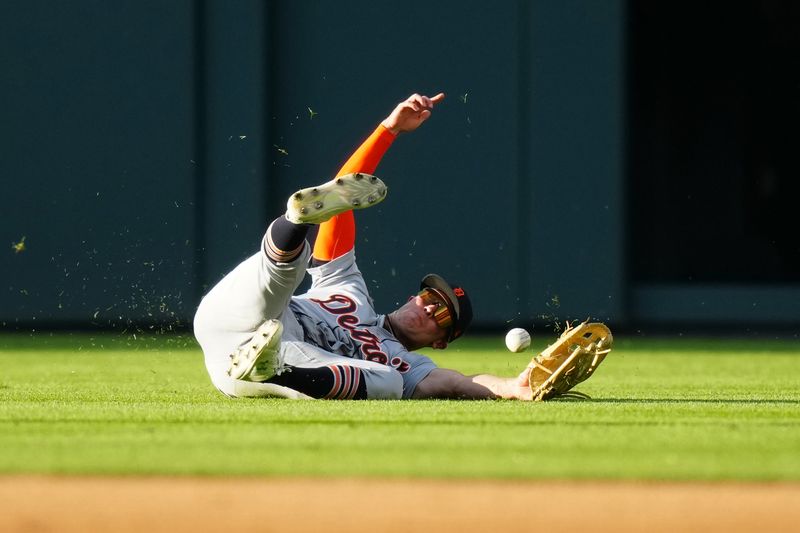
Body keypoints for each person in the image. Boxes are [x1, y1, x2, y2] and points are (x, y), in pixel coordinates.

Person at [194, 93, 535, 401]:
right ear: (412, 297)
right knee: (294, 267)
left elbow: (459, 382)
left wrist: (513, 387)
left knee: (390, 383)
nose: (429, 308)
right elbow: (345, 194)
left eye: (441, 314)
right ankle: (297, 221)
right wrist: (389, 129)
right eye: (430, 299)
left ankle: (270, 369)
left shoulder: (409, 364)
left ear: (440, 342)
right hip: (233, 316)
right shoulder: (348, 288)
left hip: (267, 364)